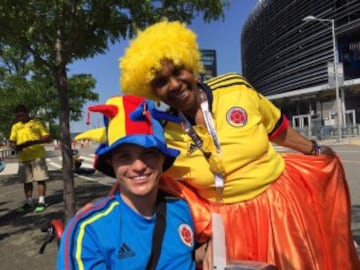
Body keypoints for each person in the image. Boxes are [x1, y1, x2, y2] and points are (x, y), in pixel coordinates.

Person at [120, 21, 360, 269]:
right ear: (153, 92)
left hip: (280, 208)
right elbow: (152, 179)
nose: (174, 84)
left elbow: (276, 129)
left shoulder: (235, 87)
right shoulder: (165, 133)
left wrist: (314, 149)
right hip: (226, 228)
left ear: (191, 66)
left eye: (178, 71)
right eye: (161, 82)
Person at [57, 95, 211, 270]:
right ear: (111, 162)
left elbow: (179, 257)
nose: (138, 166)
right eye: (125, 156)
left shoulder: (182, 208)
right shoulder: (88, 229)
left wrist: (208, 250)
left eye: (149, 154)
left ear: (163, 159)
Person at [9, 104, 51, 213]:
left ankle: (41, 201)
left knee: (40, 179)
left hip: (37, 156)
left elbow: (47, 137)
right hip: (23, 157)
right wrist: (15, 146)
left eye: (22, 116)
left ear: (27, 113)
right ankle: (29, 202)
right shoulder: (15, 126)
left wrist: (33, 142)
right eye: (18, 116)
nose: (20, 118)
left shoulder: (36, 123)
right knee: (26, 181)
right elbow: (12, 141)